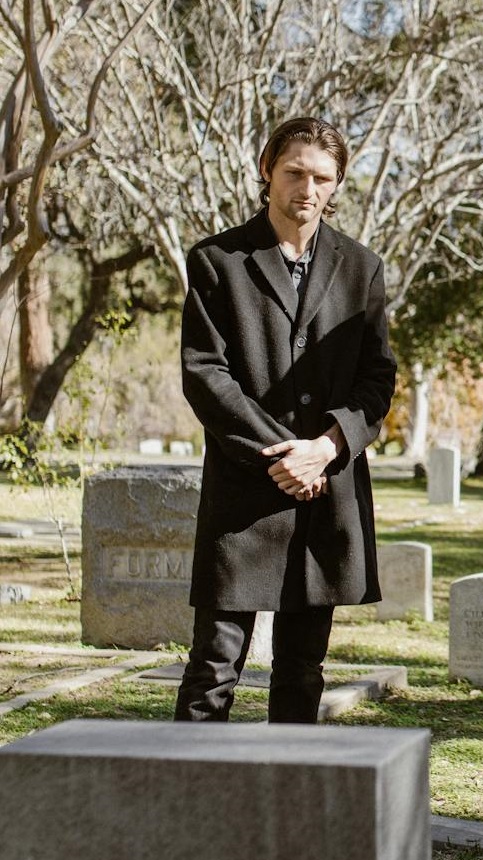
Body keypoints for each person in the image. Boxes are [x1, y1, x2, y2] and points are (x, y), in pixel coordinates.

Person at [175, 116, 397, 724]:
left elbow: (378, 380)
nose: (308, 188)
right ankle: (188, 809)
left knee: (303, 668)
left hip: (324, 489)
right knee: (213, 668)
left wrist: (325, 448)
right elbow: (204, 374)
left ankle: (290, 805)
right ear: (267, 170)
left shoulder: (362, 268)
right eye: (295, 172)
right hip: (245, 491)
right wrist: (285, 455)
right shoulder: (217, 260)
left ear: (337, 184)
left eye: (322, 178)